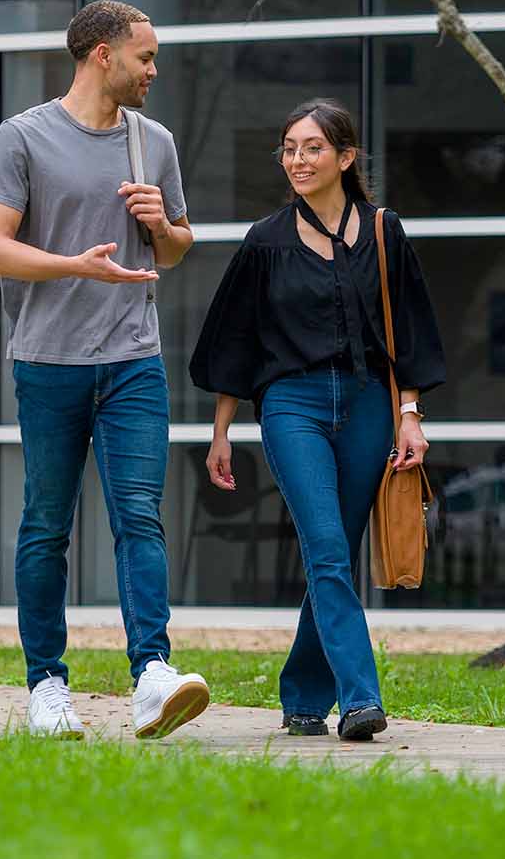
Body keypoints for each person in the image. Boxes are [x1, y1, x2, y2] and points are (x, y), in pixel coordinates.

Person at [0, 0, 211, 740]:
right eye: (144, 56)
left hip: (134, 358)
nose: (153, 71)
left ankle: (152, 676)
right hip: (49, 363)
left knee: (140, 516)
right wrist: (73, 266)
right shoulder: (25, 138)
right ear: (102, 54)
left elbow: (175, 249)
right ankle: (46, 686)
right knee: (47, 525)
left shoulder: (153, 141)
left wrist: (162, 227)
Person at [187, 97, 446, 742]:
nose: (297, 160)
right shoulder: (266, 242)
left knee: (337, 552)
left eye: (311, 148)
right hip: (290, 405)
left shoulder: (384, 233)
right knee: (327, 548)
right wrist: (221, 432)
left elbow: (408, 330)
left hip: (366, 406)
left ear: (345, 157)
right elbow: (236, 342)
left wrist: (410, 414)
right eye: (289, 148)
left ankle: (302, 695)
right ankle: (361, 699)